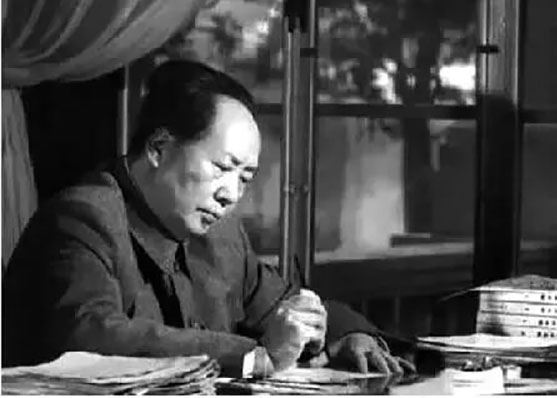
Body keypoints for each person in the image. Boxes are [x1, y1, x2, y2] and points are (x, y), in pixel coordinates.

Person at [2, 60, 415, 377]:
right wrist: (254, 357)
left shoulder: (221, 235)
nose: (230, 194)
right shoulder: (81, 218)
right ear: (159, 148)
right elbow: (91, 337)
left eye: (245, 178)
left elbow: (285, 303)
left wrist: (346, 334)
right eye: (221, 167)